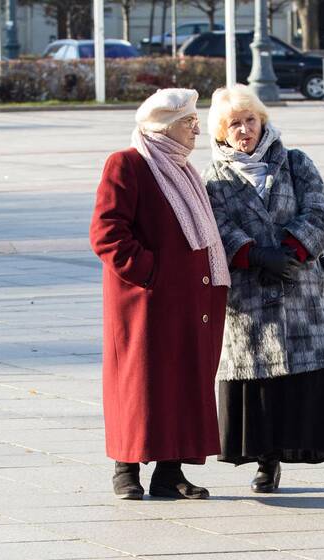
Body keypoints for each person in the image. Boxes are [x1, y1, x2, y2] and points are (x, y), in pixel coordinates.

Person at [202, 85, 324, 496]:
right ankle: (267, 462)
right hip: (249, 295)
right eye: (234, 124)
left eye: (249, 120)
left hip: (300, 291)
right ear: (222, 133)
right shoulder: (214, 179)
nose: (244, 130)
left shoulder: (295, 162)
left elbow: (319, 211)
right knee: (262, 383)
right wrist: (255, 256)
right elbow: (217, 229)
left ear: (262, 120)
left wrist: (292, 251)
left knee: (315, 380)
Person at [90, 88, 230, 501]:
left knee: (185, 382)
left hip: (192, 299)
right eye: (188, 122)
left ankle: (171, 472)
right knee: (138, 385)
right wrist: (152, 274)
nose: (197, 129)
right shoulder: (128, 164)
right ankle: (125, 468)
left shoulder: (185, 168)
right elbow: (107, 233)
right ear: (165, 128)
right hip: (144, 302)